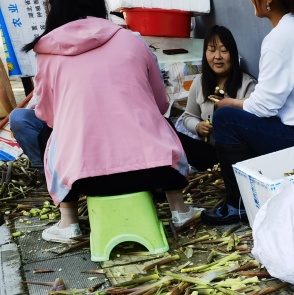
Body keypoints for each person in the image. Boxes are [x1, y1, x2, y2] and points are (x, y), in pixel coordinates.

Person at [26, 0, 199, 243]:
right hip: (156, 172)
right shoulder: (132, 40)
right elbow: (160, 103)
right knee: (160, 123)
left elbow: (47, 115)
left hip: (84, 181)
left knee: (51, 134)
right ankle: (180, 210)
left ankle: (69, 223)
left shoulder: (47, 53)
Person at [202, 0, 294, 226]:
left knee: (225, 118)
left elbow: (264, 106)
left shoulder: (280, 38)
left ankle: (237, 204)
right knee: (243, 118)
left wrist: (231, 102)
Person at [175, 25, 256, 172]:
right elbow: (188, 116)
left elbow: (255, 125)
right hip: (210, 153)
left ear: (233, 52)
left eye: (224, 50)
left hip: (239, 155)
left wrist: (231, 106)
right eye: (212, 50)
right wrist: (198, 127)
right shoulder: (199, 82)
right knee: (171, 134)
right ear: (205, 54)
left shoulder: (248, 85)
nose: (217, 56)